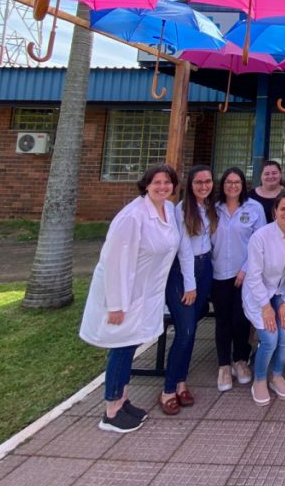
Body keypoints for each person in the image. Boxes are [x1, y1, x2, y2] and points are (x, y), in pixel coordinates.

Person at [80, 164, 180, 433]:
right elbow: (114, 263)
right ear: (146, 185)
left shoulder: (169, 210)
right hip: (126, 296)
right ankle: (111, 411)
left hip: (147, 294)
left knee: (130, 345)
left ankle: (123, 400)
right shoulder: (132, 217)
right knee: (121, 349)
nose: (162, 187)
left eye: (167, 182)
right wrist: (116, 305)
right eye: (157, 182)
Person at [160, 165, 215, 415]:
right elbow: (183, 250)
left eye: (207, 181)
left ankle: (181, 382)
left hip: (205, 269)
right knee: (186, 331)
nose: (204, 186)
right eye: (198, 182)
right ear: (190, 185)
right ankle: (168, 390)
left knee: (191, 331)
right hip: (183, 273)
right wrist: (190, 284)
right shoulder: (182, 210)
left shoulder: (209, 207)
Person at [243, 192, 285, 406]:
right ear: (274, 211)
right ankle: (259, 379)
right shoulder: (261, 236)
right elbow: (253, 275)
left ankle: (276, 376)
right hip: (259, 293)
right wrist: (265, 306)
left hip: (284, 291)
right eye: (283, 209)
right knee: (270, 339)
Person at [211, 167, 266, 392]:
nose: (233, 186)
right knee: (222, 320)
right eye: (228, 182)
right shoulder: (213, 208)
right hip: (218, 273)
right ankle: (224, 365)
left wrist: (245, 269)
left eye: (237, 182)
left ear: (243, 185)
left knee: (241, 320)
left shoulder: (254, 208)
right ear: (222, 185)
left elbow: (260, 242)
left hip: (244, 275)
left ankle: (240, 360)